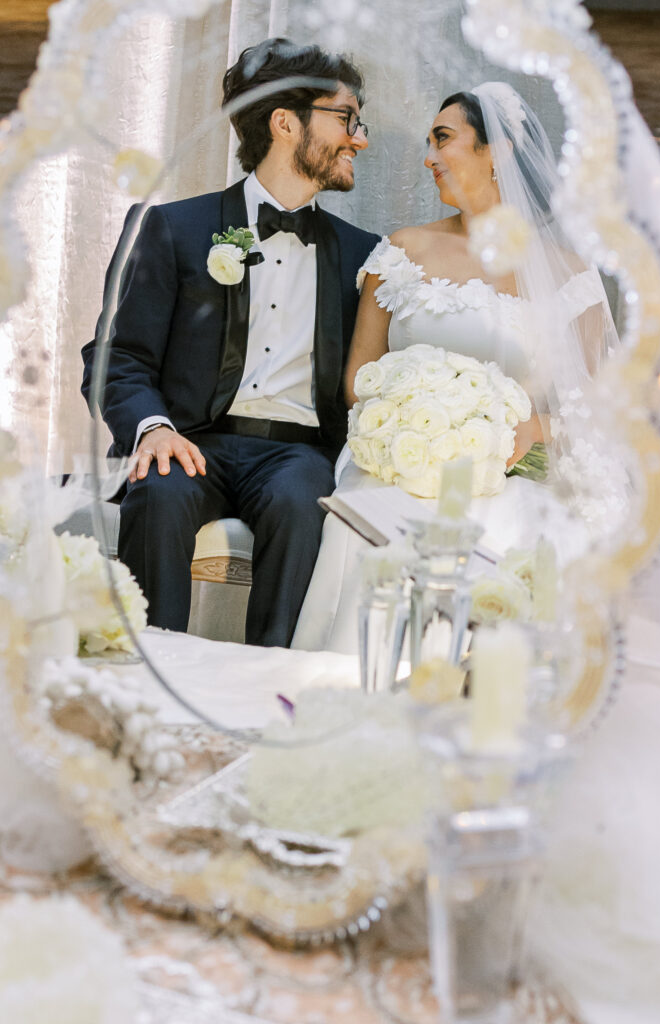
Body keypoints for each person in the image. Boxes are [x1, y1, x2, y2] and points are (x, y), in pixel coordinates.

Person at [292, 82, 619, 653]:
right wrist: (406, 425)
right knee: (363, 520)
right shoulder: (401, 250)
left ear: (500, 153)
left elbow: (599, 409)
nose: (428, 158)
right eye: (428, 142)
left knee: (519, 532)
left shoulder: (569, 276)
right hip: (399, 467)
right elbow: (358, 379)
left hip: (511, 474)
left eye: (444, 139)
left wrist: (531, 432)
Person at [81, 38, 380, 648]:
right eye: (347, 119)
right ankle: (149, 672)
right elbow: (116, 358)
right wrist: (153, 428)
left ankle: (271, 690)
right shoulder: (171, 228)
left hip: (297, 454)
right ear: (285, 123)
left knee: (303, 502)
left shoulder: (363, 255)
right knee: (160, 488)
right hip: (190, 440)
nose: (360, 138)